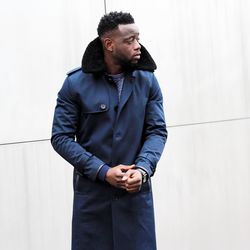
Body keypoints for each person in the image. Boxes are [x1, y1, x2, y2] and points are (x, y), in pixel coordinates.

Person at [51, 11, 167, 250]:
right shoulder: (75, 84)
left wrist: (143, 169)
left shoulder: (148, 81)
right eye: (130, 40)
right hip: (93, 204)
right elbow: (60, 138)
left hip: (135, 201)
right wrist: (102, 171)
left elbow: (157, 131)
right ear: (109, 44)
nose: (138, 46)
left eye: (138, 38)